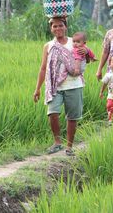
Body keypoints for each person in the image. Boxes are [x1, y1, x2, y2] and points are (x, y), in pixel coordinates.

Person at [33, 17, 88, 156]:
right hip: (54, 86)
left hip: (74, 85)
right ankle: (57, 142)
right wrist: (37, 88)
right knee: (53, 113)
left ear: (66, 27)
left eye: (60, 26)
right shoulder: (48, 46)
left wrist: (86, 53)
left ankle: (69, 146)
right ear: (51, 29)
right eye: (54, 27)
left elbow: (85, 60)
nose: (57, 29)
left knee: (72, 117)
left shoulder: (74, 42)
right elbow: (43, 68)